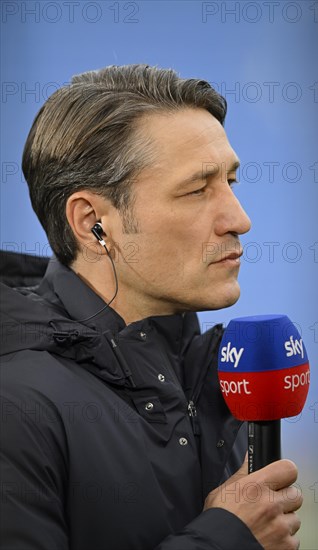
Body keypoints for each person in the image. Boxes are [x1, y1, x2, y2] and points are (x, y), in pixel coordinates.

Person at [0, 65, 302, 550]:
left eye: (230, 181)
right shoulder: (17, 407)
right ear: (93, 222)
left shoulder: (206, 380)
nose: (239, 219)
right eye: (198, 189)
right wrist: (225, 539)